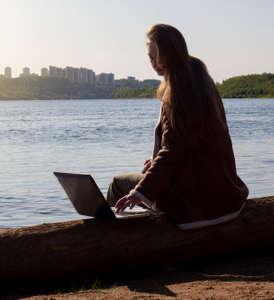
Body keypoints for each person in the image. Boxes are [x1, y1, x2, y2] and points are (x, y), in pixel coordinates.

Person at [106, 24, 248, 230]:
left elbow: (172, 151)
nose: (152, 61)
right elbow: (190, 145)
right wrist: (156, 163)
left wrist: (137, 194)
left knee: (118, 184)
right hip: (226, 197)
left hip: (196, 204)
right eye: (149, 57)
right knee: (147, 175)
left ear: (167, 53)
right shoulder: (202, 82)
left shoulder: (177, 92)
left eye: (154, 55)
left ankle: (112, 242)